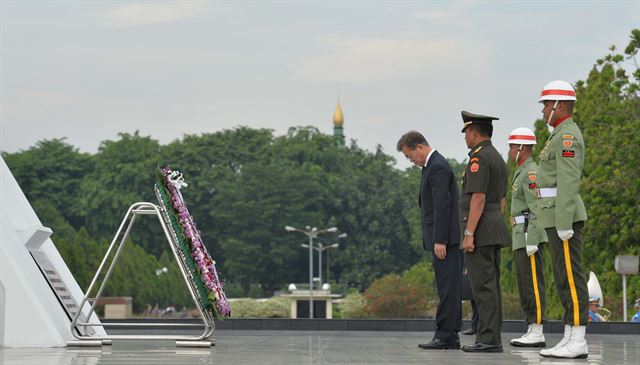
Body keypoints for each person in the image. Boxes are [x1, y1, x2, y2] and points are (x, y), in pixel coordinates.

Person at [536, 80, 589, 359]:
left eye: (546, 104)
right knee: (561, 278)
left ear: (559, 105)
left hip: (563, 217)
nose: (543, 111)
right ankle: (570, 333)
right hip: (554, 216)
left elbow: (568, 182)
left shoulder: (567, 136)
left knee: (571, 277)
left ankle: (578, 337)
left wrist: (565, 221)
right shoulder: (558, 135)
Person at [397, 131, 462, 350]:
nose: (411, 161)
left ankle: (445, 335)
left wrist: (440, 240)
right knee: (449, 287)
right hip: (442, 238)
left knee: (447, 288)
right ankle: (450, 335)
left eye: (409, 156)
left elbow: (443, 206)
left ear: (419, 147)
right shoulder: (431, 166)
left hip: (445, 240)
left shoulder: (437, 167)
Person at [458, 111, 510, 353]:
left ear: (474, 132)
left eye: (466, 133)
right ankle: (490, 336)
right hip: (494, 225)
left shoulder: (478, 159)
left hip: (481, 229)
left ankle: (488, 339)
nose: (465, 138)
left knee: (483, 287)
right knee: (492, 285)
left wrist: (469, 233)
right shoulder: (497, 157)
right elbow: (500, 200)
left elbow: (478, 197)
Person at [507, 127, 548, 348]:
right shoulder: (521, 171)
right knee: (524, 283)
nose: (510, 151)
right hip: (520, 235)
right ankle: (531, 325)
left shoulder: (531, 172)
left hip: (528, 235)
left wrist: (532, 239)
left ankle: (537, 327)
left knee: (532, 283)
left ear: (521, 148)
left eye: (512, 147)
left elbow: (536, 208)